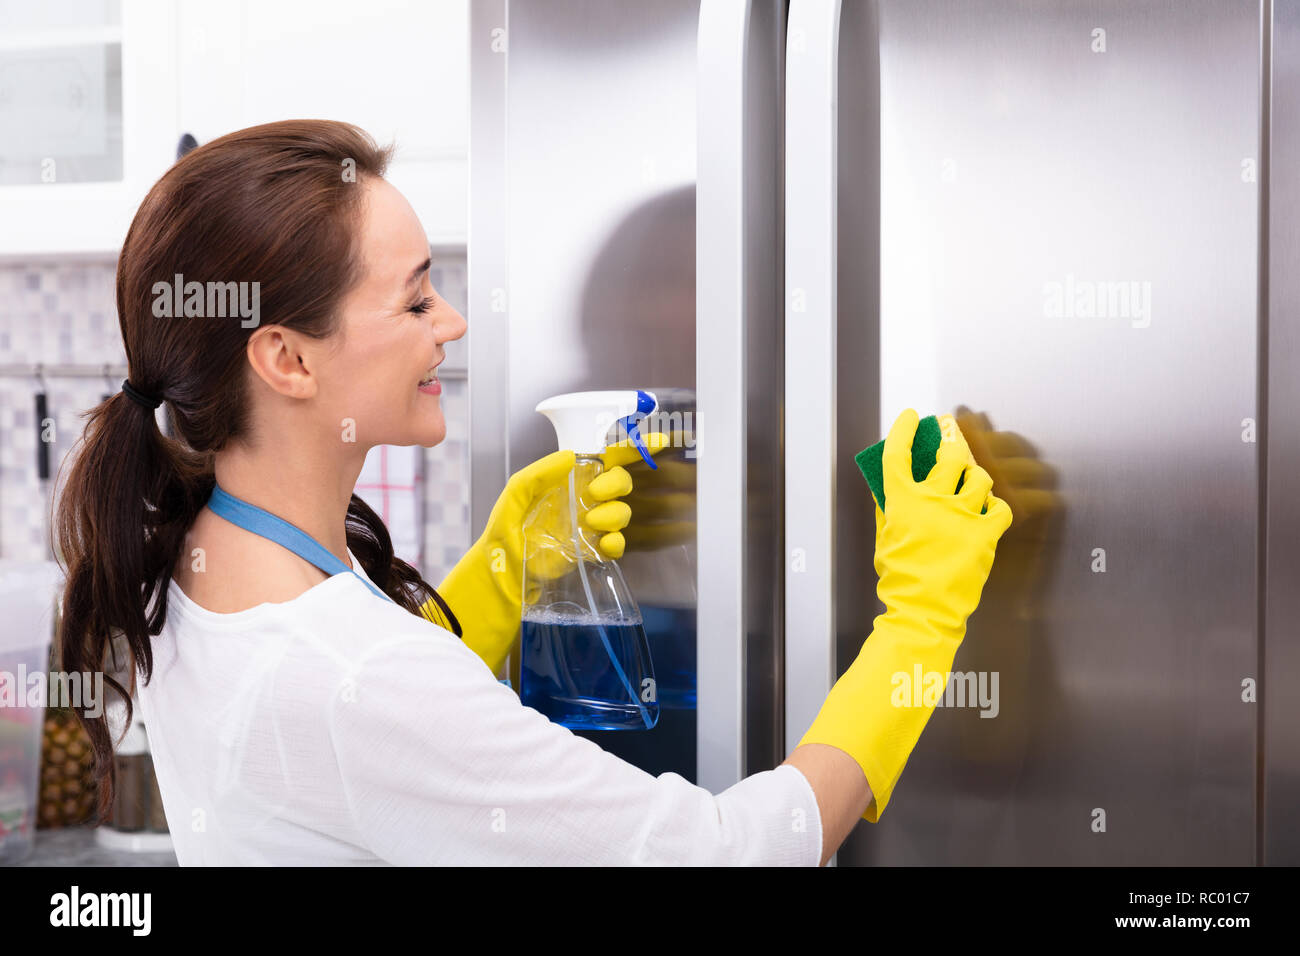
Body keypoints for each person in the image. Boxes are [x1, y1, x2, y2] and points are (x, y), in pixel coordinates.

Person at [53, 120, 1012, 866]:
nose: (454, 322)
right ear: (288, 359)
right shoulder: (357, 678)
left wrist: (506, 567)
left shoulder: (196, 558)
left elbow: (356, 751)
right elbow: (730, 854)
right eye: (417, 298)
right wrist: (919, 631)